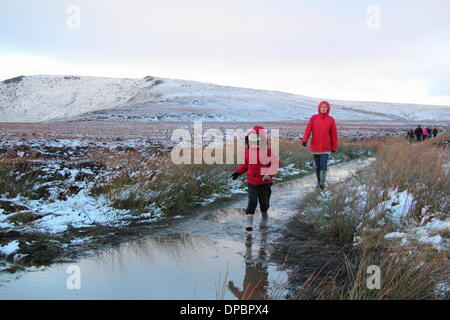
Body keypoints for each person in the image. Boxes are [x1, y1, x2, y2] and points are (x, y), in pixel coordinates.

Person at [230, 126, 279, 231]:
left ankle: (264, 218)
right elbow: (245, 165)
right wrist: (237, 172)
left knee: (264, 203)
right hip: (252, 181)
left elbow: (275, 164)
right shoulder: (247, 151)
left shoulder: (268, 151)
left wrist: (269, 174)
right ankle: (249, 223)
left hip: (265, 182)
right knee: (252, 201)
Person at [301, 101, 338, 189]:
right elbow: (308, 130)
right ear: (319, 108)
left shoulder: (331, 120)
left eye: (325, 107)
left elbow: (334, 134)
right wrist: (305, 140)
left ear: (328, 109)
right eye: (322, 107)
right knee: (317, 166)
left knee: (323, 164)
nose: (323, 108)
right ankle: (318, 182)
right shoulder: (313, 118)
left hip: (326, 147)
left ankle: (322, 183)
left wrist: (334, 147)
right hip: (315, 147)